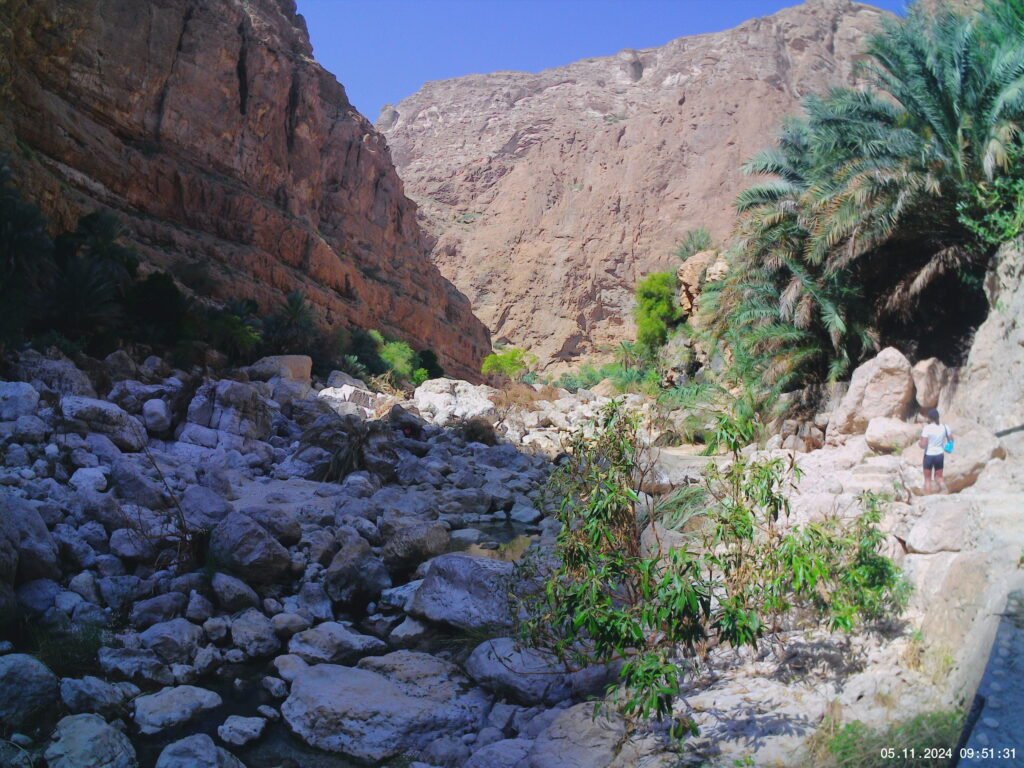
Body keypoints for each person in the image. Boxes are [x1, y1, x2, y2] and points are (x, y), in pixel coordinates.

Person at [919, 408, 951, 495]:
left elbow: (923, 444)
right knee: (939, 477)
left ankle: (928, 496)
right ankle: (944, 488)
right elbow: (951, 439)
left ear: (929, 418)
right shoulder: (945, 427)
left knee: (927, 479)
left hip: (929, 455)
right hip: (939, 455)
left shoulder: (927, 428)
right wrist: (948, 447)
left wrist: (919, 443)